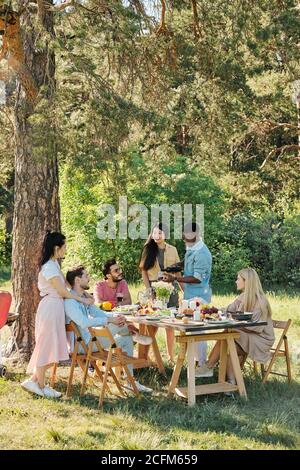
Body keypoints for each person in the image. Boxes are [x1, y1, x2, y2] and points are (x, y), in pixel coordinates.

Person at [21, 231, 94, 398]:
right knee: (46, 346)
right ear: (56, 247)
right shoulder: (48, 267)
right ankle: (40, 385)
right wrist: (82, 301)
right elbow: (62, 291)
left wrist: (84, 294)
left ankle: (35, 381)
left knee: (52, 346)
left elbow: (68, 285)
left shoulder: (55, 264)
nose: (65, 249)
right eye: (64, 246)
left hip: (56, 308)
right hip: (50, 308)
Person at [65, 265, 152, 393]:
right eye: (86, 276)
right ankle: (134, 333)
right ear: (77, 280)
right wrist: (110, 320)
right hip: (84, 345)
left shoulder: (83, 298)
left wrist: (115, 316)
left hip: (92, 341)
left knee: (126, 339)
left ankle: (130, 382)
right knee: (117, 324)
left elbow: (99, 313)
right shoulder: (70, 302)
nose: (89, 279)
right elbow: (83, 322)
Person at [195, 268, 275, 383]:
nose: (236, 281)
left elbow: (257, 328)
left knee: (228, 337)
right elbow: (227, 310)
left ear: (246, 281)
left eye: (238, 279)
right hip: (246, 335)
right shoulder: (242, 297)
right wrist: (208, 309)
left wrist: (235, 325)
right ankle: (229, 382)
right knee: (228, 338)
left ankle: (209, 367)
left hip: (260, 339)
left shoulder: (261, 301)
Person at [163, 222, 212, 371]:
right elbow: (187, 262)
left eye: (186, 235)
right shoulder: (192, 248)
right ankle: (193, 364)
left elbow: (197, 278)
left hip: (199, 296)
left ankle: (202, 365)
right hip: (190, 295)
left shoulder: (203, 253)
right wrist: (172, 268)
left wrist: (175, 279)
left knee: (197, 331)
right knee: (188, 330)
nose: (183, 238)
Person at [139, 223, 181, 362]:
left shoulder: (173, 250)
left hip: (170, 288)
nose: (157, 235)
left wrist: (184, 290)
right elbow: (144, 271)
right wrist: (149, 290)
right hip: (154, 288)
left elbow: (178, 272)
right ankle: (145, 356)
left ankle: (170, 357)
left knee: (170, 324)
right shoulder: (148, 249)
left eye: (160, 233)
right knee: (153, 324)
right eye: (155, 233)